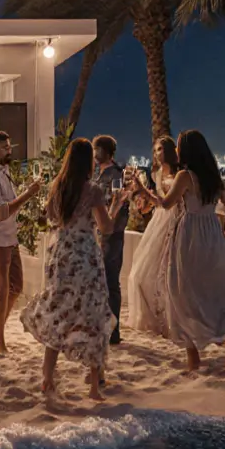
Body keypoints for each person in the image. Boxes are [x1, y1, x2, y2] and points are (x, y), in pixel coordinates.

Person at [134, 131, 225, 373]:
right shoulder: (215, 178)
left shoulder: (185, 176)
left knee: (182, 293)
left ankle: (193, 359)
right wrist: (211, 214)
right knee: (215, 294)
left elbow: (165, 204)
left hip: (190, 234)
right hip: (213, 236)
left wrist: (143, 190)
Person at [20, 138, 119, 400]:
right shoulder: (93, 190)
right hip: (84, 254)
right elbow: (106, 227)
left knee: (60, 310)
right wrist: (117, 205)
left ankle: (47, 376)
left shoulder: (57, 187)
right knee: (93, 312)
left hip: (61, 253)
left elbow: (50, 218)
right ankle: (95, 387)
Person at [0, 131, 42, 355]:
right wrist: (28, 194)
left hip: (9, 237)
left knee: (16, 286)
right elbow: (2, 212)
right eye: (4, 148)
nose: (9, 151)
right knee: (2, 289)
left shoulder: (3, 172)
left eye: (9, 147)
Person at [125, 136, 180, 336]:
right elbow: (156, 203)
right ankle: (153, 316)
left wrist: (143, 191)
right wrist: (141, 200)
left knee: (167, 271)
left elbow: (168, 201)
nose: (157, 154)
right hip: (159, 220)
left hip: (174, 219)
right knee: (142, 271)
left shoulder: (180, 173)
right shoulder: (156, 173)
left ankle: (171, 318)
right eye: (155, 150)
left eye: (161, 149)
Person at [91, 135, 129, 345]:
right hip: (98, 233)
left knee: (111, 281)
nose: (95, 153)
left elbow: (122, 208)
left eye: (97, 149)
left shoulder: (116, 175)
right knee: (101, 281)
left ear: (107, 152)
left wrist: (110, 227)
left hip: (112, 235)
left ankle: (113, 332)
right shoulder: (98, 173)